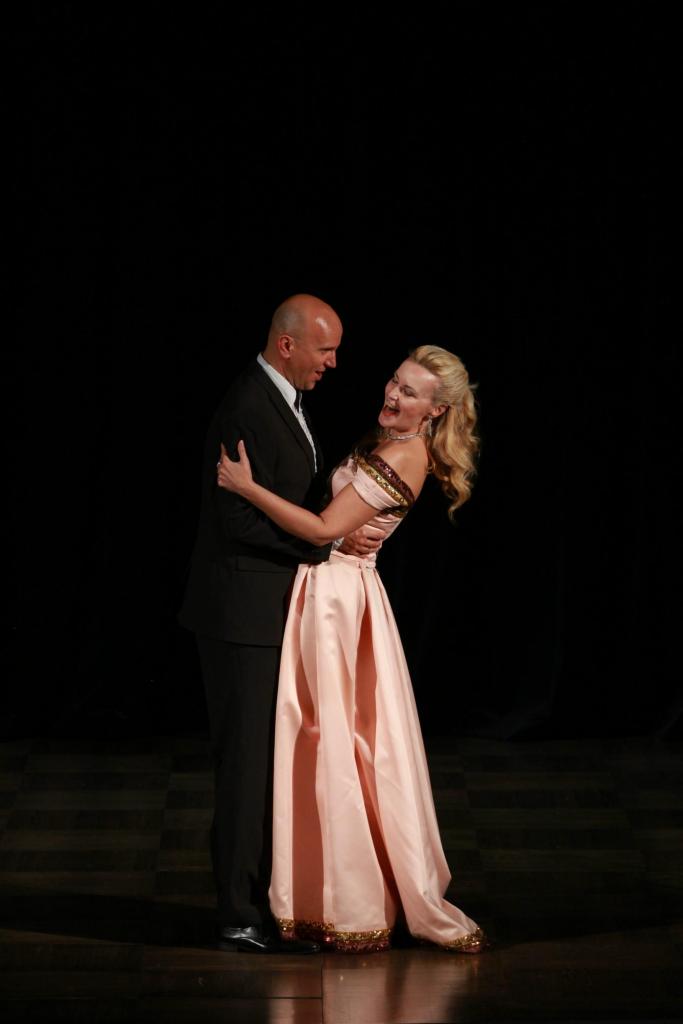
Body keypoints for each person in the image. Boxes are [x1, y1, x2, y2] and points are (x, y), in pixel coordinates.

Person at [216, 344, 487, 953]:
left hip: (338, 598)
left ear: (435, 410)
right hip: (334, 588)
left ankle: (346, 897)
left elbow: (321, 529)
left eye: (410, 392)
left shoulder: (405, 455)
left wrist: (246, 487)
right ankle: (322, 890)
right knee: (326, 737)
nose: (393, 394)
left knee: (335, 739)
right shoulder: (393, 441)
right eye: (394, 381)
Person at [179, 294, 383, 955]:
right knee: (245, 766)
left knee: (268, 764)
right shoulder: (246, 406)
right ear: (287, 344)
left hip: (269, 610)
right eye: (325, 349)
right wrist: (322, 542)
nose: (333, 363)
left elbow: (287, 496)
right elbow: (236, 519)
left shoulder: (283, 399)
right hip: (241, 615)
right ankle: (238, 914)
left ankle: (267, 901)